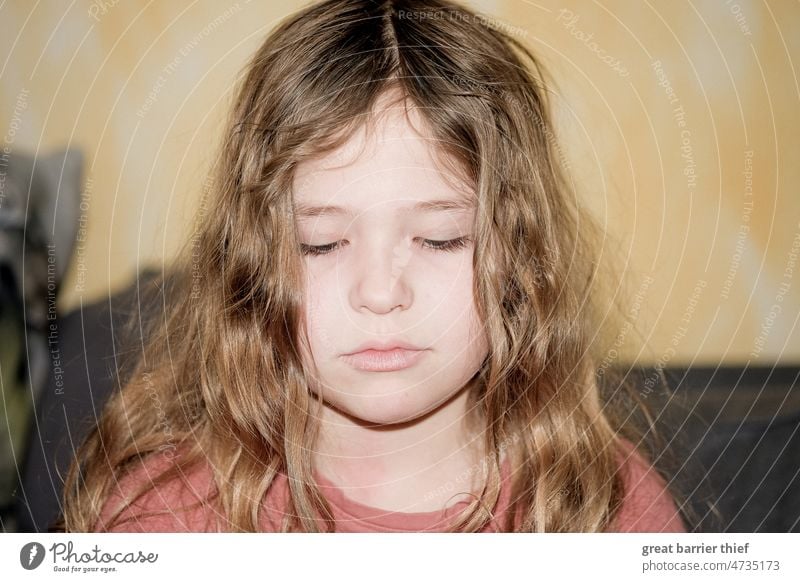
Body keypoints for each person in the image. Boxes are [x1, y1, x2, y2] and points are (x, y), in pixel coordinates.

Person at [57, 0, 686, 533]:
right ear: (250, 265)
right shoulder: (166, 519)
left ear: (519, 259)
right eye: (320, 243)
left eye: (441, 239)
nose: (381, 293)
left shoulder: (608, 509)